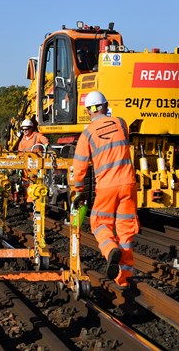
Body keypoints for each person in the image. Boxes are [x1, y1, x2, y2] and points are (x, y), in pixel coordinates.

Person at [72, 91, 138, 289]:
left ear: (88, 111)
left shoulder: (87, 134)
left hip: (107, 187)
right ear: (106, 105)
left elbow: (80, 166)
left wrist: (79, 190)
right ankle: (124, 276)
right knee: (126, 230)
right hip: (128, 184)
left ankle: (110, 250)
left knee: (100, 223)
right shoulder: (121, 123)